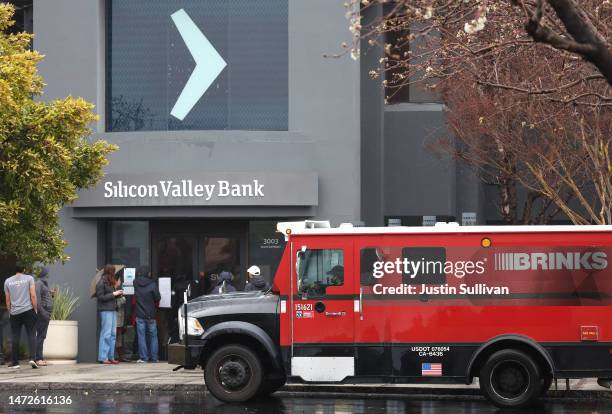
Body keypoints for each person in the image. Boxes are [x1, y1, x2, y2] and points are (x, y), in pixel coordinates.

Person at [4, 263, 38, 369]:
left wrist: (10, 311)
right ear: (23, 269)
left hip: (15, 313)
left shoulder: (8, 281)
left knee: (15, 336)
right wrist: (35, 308)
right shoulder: (29, 278)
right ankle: (33, 359)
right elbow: (33, 295)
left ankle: (15, 362)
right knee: (31, 335)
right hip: (28, 310)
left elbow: (8, 299)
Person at [96, 264, 123, 364]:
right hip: (105, 310)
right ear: (109, 271)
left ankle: (111, 356)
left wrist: (117, 295)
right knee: (106, 334)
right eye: (113, 271)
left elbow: (110, 297)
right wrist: (113, 294)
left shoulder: (110, 282)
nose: (114, 273)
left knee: (113, 334)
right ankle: (103, 357)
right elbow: (100, 297)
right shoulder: (101, 282)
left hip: (112, 310)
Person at [134, 265, 160, 363]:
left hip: (140, 314)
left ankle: (144, 358)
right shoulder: (153, 284)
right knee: (153, 336)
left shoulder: (135, 283)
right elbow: (158, 298)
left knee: (141, 336)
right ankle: (154, 358)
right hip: (151, 314)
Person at [34, 267, 53, 366]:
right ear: (43, 274)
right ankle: (38, 359)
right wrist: (43, 313)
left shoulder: (44, 284)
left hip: (46, 313)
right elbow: (37, 299)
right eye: (47, 274)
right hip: (43, 313)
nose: (48, 276)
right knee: (40, 335)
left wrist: (51, 294)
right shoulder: (38, 283)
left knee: (42, 336)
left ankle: (40, 358)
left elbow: (45, 296)